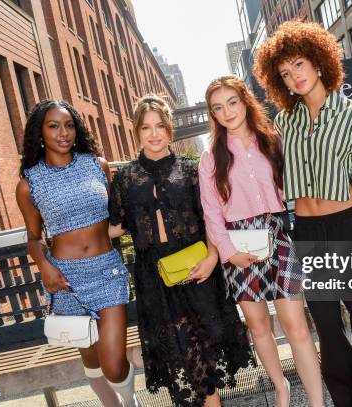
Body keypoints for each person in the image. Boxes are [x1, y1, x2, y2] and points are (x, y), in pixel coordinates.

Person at [254, 21, 352, 407]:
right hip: (307, 230)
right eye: (285, 73)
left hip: (350, 226)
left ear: (319, 63)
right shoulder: (285, 123)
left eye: (299, 65)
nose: (294, 76)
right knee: (328, 327)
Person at [108, 94, 254, 407]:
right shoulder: (124, 178)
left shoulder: (192, 170)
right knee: (187, 351)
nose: (154, 133)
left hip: (199, 269)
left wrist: (212, 258)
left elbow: (211, 221)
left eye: (160, 125)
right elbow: (115, 226)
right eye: (146, 127)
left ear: (170, 129)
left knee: (209, 346)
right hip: (156, 278)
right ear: (136, 131)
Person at [198, 76, 324, 407]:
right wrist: (229, 253)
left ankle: (316, 400)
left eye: (232, 102)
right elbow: (211, 213)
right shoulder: (211, 157)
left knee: (295, 325)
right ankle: (281, 388)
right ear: (213, 114)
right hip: (238, 245)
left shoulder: (272, 140)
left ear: (245, 101)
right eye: (218, 108)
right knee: (257, 326)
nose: (227, 112)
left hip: (279, 236)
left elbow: (295, 186)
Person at [16, 99, 137, 406]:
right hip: (66, 279)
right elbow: (33, 238)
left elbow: (113, 220)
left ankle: (130, 401)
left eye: (69, 125)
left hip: (107, 271)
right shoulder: (29, 183)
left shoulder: (97, 165)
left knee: (114, 363)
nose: (63, 133)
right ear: (39, 132)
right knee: (92, 357)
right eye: (53, 126)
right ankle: (111, 404)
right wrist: (44, 266)